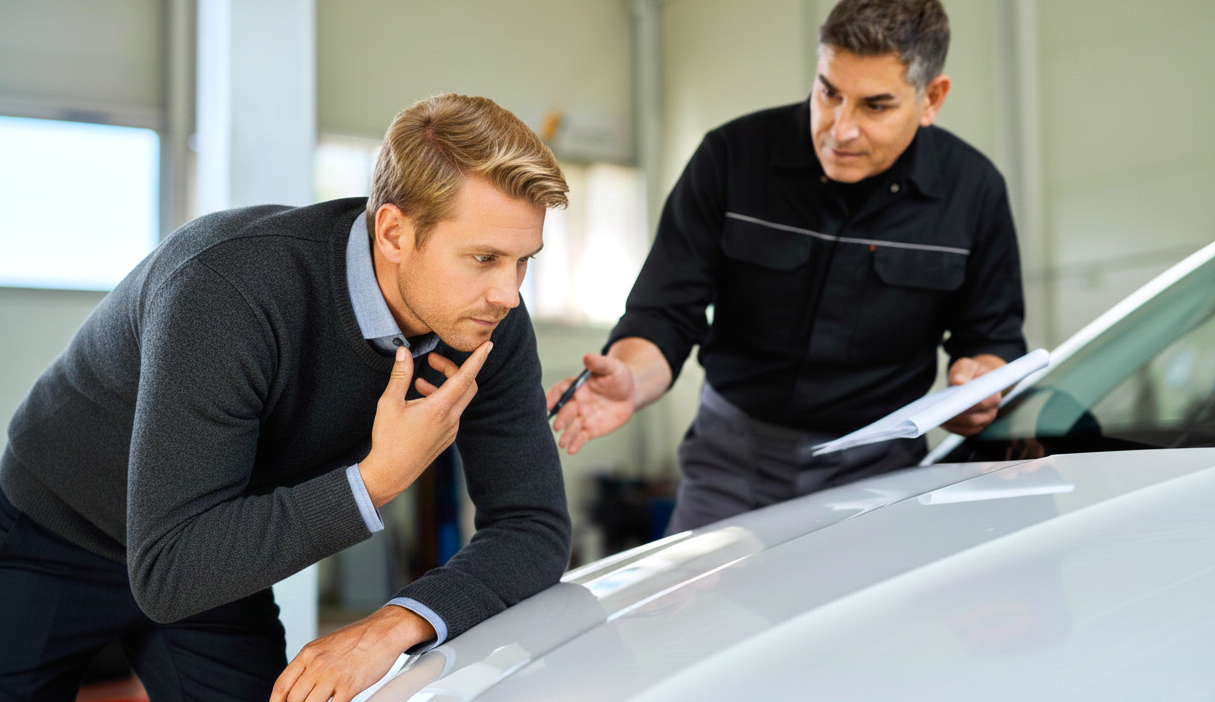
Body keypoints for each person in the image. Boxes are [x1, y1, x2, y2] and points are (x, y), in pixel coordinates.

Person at [0, 93, 572, 702]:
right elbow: (167, 571)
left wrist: (392, 626)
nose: (508, 295)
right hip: (56, 529)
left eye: (522, 262)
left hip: (215, 544)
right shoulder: (227, 289)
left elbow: (531, 524)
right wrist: (378, 478)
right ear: (395, 232)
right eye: (484, 258)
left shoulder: (487, 323)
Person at [548, 0, 1026, 533]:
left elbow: (992, 335)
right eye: (829, 92)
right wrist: (631, 380)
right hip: (730, 464)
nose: (840, 129)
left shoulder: (974, 192)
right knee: (699, 616)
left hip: (879, 472)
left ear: (931, 98)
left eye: (875, 106)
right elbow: (664, 313)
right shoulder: (731, 158)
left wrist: (979, 380)